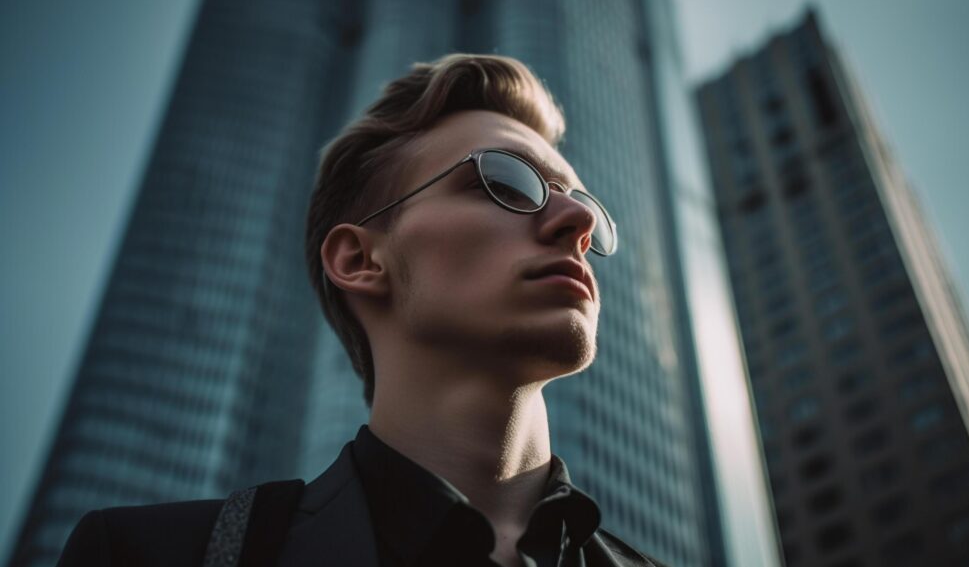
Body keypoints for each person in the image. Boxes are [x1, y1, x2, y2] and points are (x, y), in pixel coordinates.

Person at [57, 54, 668, 567]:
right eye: (506, 182)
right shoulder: (146, 553)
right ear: (357, 259)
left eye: (582, 200)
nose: (579, 221)